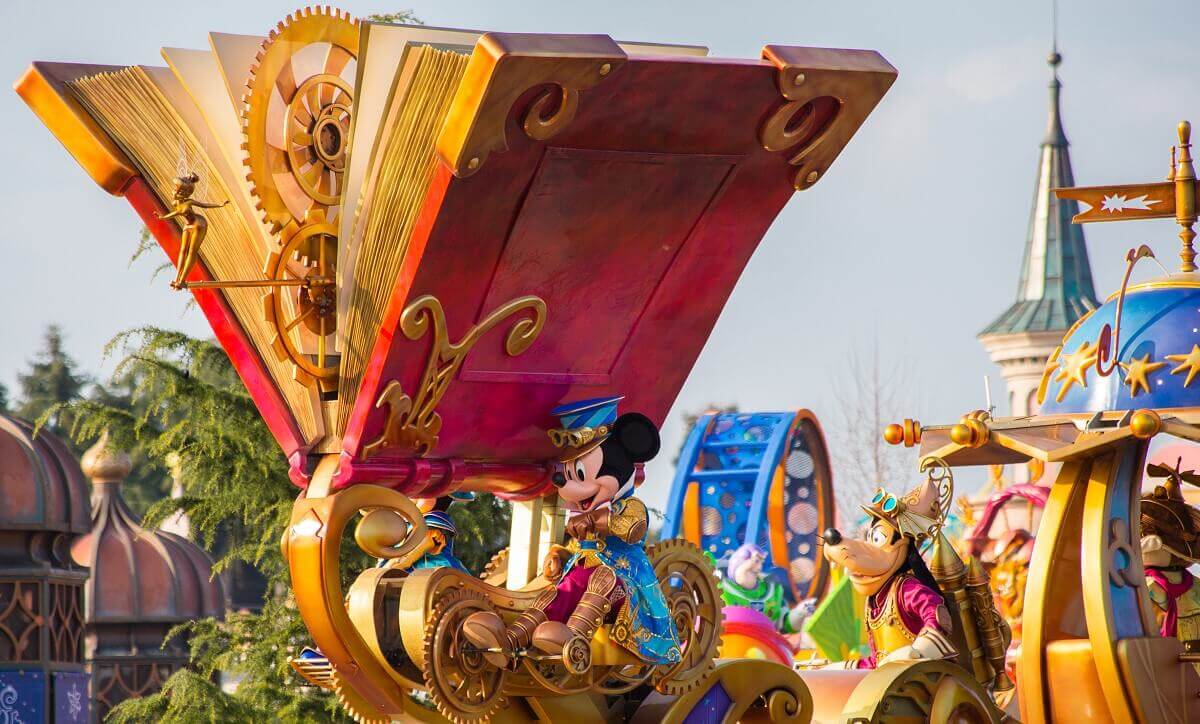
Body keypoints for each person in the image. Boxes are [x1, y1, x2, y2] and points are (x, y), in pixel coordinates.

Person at [462, 397, 680, 667]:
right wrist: (562, 554)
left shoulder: (630, 506)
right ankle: (511, 641)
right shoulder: (580, 512)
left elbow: (632, 528)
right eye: (565, 476)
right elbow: (584, 551)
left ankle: (574, 639)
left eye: (580, 474)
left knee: (603, 578)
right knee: (560, 590)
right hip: (585, 575)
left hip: (627, 587)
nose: (569, 489)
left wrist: (596, 520)